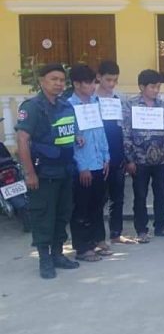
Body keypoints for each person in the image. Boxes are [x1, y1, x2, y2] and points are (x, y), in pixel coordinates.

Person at [15, 63, 80, 279]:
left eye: (62, 80)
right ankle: (44, 259)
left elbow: (68, 133)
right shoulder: (32, 107)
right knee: (43, 216)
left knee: (62, 214)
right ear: (42, 81)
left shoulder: (65, 105)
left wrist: (78, 136)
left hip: (65, 171)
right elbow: (22, 140)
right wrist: (29, 173)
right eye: (54, 79)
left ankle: (58, 254)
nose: (59, 83)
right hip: (43, 174)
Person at [122, 69, 164, 243]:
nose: (156, 90)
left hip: (161, 159)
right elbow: (126, 133)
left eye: (158, 87)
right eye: (152, 87)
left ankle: (160, 226)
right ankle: (141, 230)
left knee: (161, 195)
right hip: (139, 160)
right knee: (140, 196)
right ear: (141, 87)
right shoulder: (130, 105)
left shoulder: (163, 106)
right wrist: (129, 159)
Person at [68, 65, 111, 262]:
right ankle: (82, 247)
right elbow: (72, 140)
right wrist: (82, 166)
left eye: (94, 82)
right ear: (76, 84)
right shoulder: (68, 106)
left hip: (99, 163)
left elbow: (100, 132)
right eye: (89, 83)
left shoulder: (95, 102)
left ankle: (98, 240)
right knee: (81, 207)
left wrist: (106, 157)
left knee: (97, 204)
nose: (93, 86)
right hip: (83, 166)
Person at [95, 60, 136, 244]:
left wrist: (127, 156)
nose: (111, 84)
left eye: (115, 80)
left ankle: (116, 233)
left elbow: (126, 127)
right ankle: (97, 238)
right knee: (98, 199)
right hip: (98, 156)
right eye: (108, 80)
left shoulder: (120, 99)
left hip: (118, 153)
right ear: (99, 77)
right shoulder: (91, 100)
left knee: (117, 197)